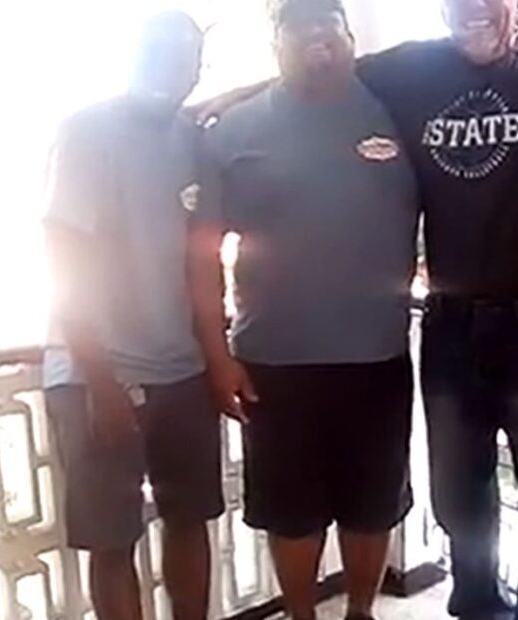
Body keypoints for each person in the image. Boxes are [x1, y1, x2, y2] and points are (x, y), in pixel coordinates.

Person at [191, 1, 518, 618]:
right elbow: (324, 62)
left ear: (517, 8)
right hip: (449, 328)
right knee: (459, 502)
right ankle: (476, 604)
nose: (474, 10)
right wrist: (229, 97)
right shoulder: (414, 69)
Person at [186, 2, 419, 619]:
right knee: (290, 510)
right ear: (276, 41)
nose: (317, 38)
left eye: (329, 26)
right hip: (273, 361)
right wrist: (217, 356)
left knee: (372, 503)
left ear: (348, 38)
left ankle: (361, 613)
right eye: (299, 27)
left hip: (378, 356)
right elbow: (201, 256)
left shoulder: (397, 108)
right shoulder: (233, 133)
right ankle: (301, 614)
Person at [42, 11, 222, 620]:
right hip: (99, 376)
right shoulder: (85, 131)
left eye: (187, 58)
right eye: (161, 53)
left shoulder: (192, 137)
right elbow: (63, 256)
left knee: (190, 518)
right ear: (133, 55)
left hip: (183, 370)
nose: (173, 68)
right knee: (113, 540)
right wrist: (101, 380)